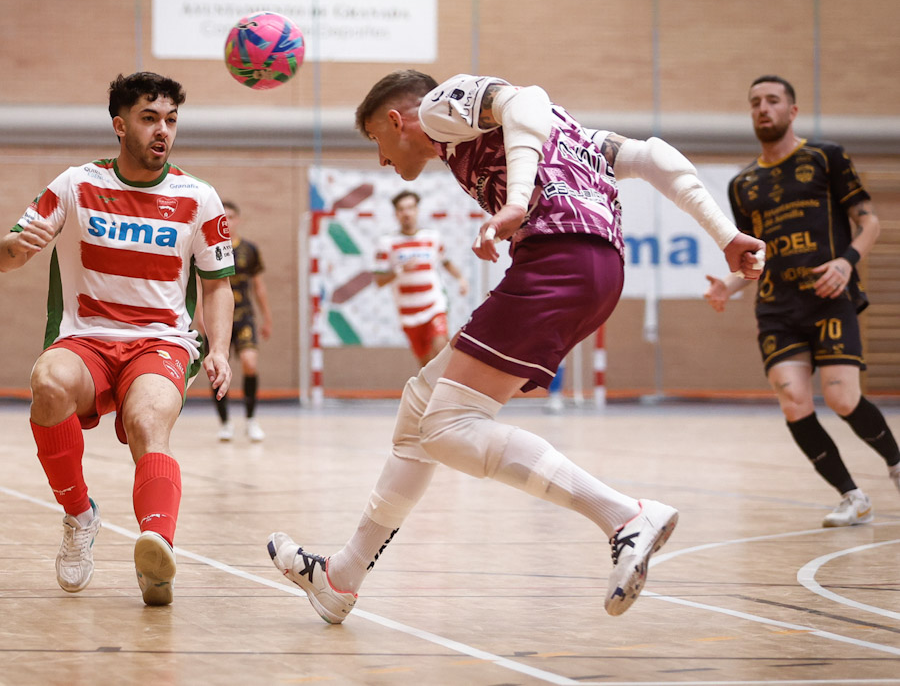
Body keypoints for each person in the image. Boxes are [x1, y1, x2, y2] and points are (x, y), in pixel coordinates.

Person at [268, 70, 766, 623]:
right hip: (597, 270)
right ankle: (341, 577)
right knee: (419, 410)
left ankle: (625, 516)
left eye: (375, 141)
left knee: (447, 427)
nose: (382, 159)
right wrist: (725, 235)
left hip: (559, 261)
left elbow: (525, 98)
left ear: (394, 120)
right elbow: (652, 156)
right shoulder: (569, 132)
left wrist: (517, 202)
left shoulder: (436, 109)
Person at [0, 72, 235, 606]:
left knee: (148, 421)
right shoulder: (75, 184)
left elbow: (218, 285)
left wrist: (218, 349)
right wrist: (19, 246)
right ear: (120, 126)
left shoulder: (198, 197)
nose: (163, 131)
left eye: (171, 120)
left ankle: (157, 551)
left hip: (161, 342)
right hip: (86, 338)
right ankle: (79, 515)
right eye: (150, 119)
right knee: (48, 383)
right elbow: (4, 259)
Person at [705, 75, 900, 527]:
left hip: (829, 297)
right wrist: (728, 286)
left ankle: (895, 463)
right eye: (755, 101)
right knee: (793, 400)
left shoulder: (825, 157)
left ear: (792, 111)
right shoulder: (742, 184)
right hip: (777, 307)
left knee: (842, 397)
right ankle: (852, 497)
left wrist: (847, 263)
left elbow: (870, 223)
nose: (763, 108)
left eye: (773, 100)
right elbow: (754, 258)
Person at [374, 189, 469, 366]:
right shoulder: (387, 243)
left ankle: (449, 384)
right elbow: (379, 280)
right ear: (396, 214)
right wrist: (399, 270)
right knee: (426, 365)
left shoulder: (432, 238)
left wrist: (461, 279)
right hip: (408, 314)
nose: (407, 213)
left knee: (441, 352)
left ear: (417, 210)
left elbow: (446, 262)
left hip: (434, 306)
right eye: (402, 209)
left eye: (410, 208)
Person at [212, 200, 273, 442]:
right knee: (218, 369)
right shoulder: (211, 248)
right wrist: (202, 319)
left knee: (250, 362)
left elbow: (259, 286)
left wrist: (267, 318)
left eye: (231, 217)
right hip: (218, 318)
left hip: (244, 315)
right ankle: (225, 423)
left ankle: (250, 420)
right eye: (223, 217)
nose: (227, 222)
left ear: (238, 220)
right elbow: (202, 285)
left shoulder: (250, 249)